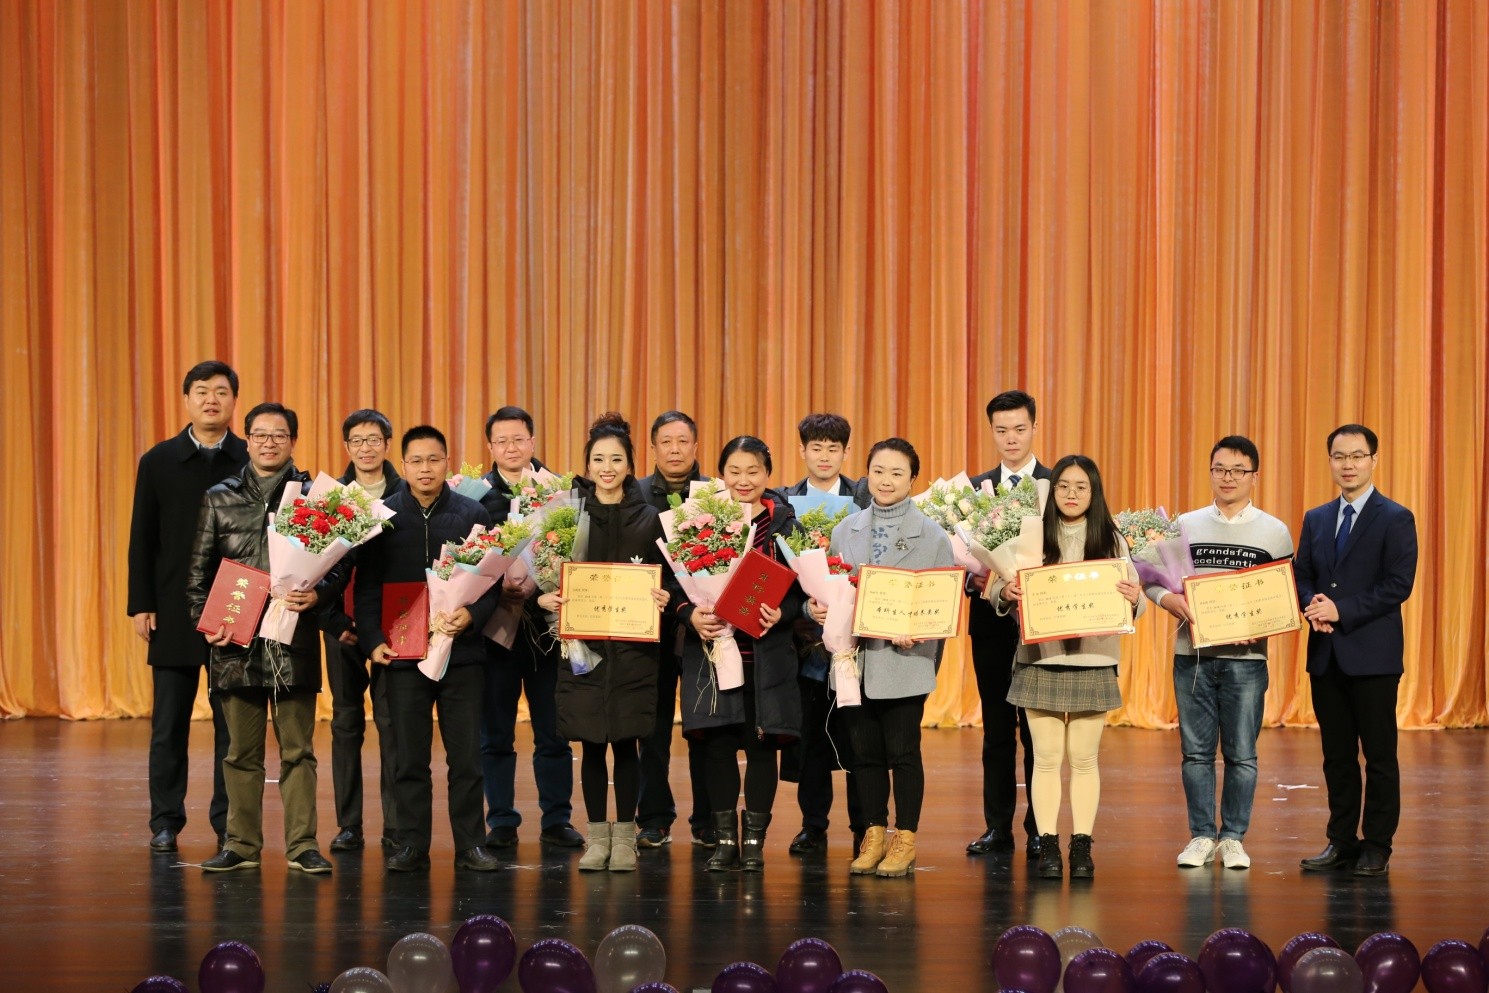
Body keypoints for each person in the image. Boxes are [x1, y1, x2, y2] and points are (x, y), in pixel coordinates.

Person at [186, 403, 337, 874]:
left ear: (293, 441)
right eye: (260, 435)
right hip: (235, 641)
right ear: (246, 440)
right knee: (239, 753)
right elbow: (197, 576)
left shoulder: (314, 498)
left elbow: (339, 568)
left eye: (279, 435)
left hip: (294, 638)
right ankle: (240, 845)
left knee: (298, 751)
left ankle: (302, 845)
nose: (269, 443)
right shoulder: (219, 497)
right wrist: (207, 623)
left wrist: (320, 595)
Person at [354, 426, 502, 873]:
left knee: (466, 757)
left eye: (433, 459)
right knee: (408, 757)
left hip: (462, 653)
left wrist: (472, 615)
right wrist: (372, 640)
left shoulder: (473, 513)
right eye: (416, 461)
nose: (425, 469)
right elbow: (367, 587)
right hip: (403, 654)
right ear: (403, 465)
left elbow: (492, 583)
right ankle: (412, 843)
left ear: (446, 462)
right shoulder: (383, 516)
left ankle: (471, 844)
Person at [991, 454, 1144, 880]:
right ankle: (1048, 846)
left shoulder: (1112, 539)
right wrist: (1006, 591)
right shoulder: (1030, 534)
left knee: (1084, 758)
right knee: (1045, 759)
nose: (1071, 494)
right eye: (1063, 486)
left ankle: (1081, 846)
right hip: (1041, 657)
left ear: (1094, 493)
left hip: (1093, 659)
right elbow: (996, 587)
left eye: (1081, 487)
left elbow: (1136, 598)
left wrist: (1135, 598)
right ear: (1052, 489)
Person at [808, 438, 954, 877]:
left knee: (903, 753)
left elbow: (941, 606)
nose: (886, 481)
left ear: (913, 479)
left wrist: (921, 633)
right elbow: (828, 590)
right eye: (878, 471)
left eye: (896, 473)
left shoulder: (933, 536)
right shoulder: (844, 530)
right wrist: (815, 609)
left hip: (905, 661)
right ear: (866, 474)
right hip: (854, 660)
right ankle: (873, 834)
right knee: (863, 753)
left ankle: (905, 838)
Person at [1148, 436, 1294, 871]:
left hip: (1247, 662)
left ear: (1254, 476)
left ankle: (1232, 838)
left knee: (1242, 754)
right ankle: (1200, 835)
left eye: (1238, 470)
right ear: (1210, 472)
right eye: (1220, 469)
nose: (1228, 478)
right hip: (1192, 656)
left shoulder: (1275, 531)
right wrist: (1167, 600)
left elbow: (1284, 595)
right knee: (1195, 753)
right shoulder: (1184, 525)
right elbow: (1151, 579)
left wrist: (1263, 623)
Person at [542, 414, 672, 872]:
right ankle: (597, 838)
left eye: (616, 459)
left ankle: (625, 839)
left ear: (630, 464)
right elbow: (545, 573)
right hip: (585, 650)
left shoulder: (651, 519)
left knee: (628, 743)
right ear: (588, 465)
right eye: (598, 459)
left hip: (635, 651)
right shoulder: (567, 517)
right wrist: (545, 596)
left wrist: (664, 595)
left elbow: (672, 577)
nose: (607, 468)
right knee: (593, 744)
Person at [128, 361, 247, 854]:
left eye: (221, 392)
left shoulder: (249, 458)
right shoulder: (159, 460)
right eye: (202, 391)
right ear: (186, 400)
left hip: (236, 605)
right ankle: (164, 820)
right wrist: (141, 603)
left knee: (232, 727)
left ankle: (228, 823)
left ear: (234, 401)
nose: (211, 400)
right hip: (173, 607)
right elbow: (142, 536)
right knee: (169, 724)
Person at [675, 437, 805, 872]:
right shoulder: (697, 521)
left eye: (753, 471)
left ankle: (753, 843)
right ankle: (725, 841)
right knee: (717, 747)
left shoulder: (784, 525)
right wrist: (690, 614)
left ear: (768, 474)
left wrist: (782, 614)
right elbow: (674, 582)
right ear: (721, 474)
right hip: (712, 652)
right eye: (734, 471)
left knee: (762, 747)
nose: (743, 480)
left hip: (766, 659)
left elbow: (804, 592)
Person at [1295, 424, 1417, 878]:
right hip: (1326, 653)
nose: (1348, 465)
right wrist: (1313, 605)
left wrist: (1340, 610)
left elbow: (1397, 585)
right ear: (1329, 461)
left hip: (1373, 656)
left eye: (1357, 456)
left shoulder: (1395, 517)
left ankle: (1377, 845)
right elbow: (1301, 573)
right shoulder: (1317, 518)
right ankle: (1341, 841)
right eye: (1339, 456)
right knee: (1337, 756)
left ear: (1373, 460)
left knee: (1380, 757)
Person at [477, 406, 582, 849]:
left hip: (546, 628)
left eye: (518, 439)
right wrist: (495, 585)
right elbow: (466, 559)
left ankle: (556, 818)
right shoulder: (475, 496)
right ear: (490, 446)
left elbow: (576, 552)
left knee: (553, 731)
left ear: (533, 442)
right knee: (496, 732)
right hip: (494, 629)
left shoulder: (560, 492)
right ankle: (501, 819)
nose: (511, 448)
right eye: (501, 441)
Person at [966, 390, 1050, 860]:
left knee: (1038, 731)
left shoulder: (1058, 485)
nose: (1011, 438)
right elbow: (961, 565)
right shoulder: (974, 492)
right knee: (996, 730)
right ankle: (997, 827)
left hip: (1044, 627)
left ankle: (1040, 828)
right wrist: (978, 579)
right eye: (1001, 430)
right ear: (992, 432)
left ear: (1034, 427)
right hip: (992, 626)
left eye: (1019, 429)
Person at [319, 409, 405, 855]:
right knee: (346, 723)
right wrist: (336, 623)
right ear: (346, 446)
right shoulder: (330, 499)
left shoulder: (407, 496)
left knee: (393, 725)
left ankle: (396, 825)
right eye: (357, 440)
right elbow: (311, 571)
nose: (366, 448)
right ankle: (349, 824)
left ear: (388, 445)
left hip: (392, 631)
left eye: (374, 439)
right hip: (342, 629)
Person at [784, 412, 869, 856]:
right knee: (812, 737)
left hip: (856, 641)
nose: (824, 456)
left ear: (845, 452)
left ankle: (863, 826)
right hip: (805, 641)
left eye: (833, 449)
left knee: (857, 736)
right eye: (815, 448)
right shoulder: (783, 503)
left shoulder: (865, 498)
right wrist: (806, 606)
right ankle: (813, 825)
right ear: (802, 450)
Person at [634, 410, 714, 849]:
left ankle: (708, 819)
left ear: (696, 446)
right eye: (666, 441)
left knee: (705, 727)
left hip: (703, 627)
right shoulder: (635, 493)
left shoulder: (715, 496)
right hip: (650, 628)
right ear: (653, 448)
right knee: (652, 729)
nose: (675, 450)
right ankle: (654, 817)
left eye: (683, 441)